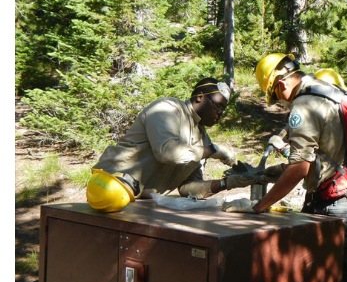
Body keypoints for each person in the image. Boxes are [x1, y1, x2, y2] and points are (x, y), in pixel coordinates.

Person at [252, 53, 347, 282]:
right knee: (340, 277)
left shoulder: (304, 104)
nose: (280, 102)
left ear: (280, 84)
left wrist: (262, 205)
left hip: (334, 202)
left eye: (275, 95)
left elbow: (299, 168)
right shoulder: (332, 92)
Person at [86, 78, 266, 211]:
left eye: (223, 110)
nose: (219, 113)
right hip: (109, 187)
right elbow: (167, 152)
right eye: (217, 106)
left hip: (138, 203)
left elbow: (188, 187)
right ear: (199, 97)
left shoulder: (202, 138)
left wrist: (226, 183)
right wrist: (213, 150)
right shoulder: (167, 109)